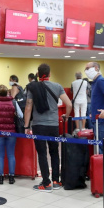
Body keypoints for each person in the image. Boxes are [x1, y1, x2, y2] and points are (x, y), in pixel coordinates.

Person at [24, 63, 72, 192]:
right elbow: (69, 104)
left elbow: (28, 107)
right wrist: (66, 117)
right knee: (54, 152)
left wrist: (26, 126)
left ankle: (46, 183)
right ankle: (56, 181)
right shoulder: (57, 86)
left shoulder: (32, 87)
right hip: (53, 126)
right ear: (50, 74)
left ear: (38, 74)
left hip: (39, 125)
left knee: (42, 154)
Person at [84, 62, 104, 152]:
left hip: (102, 120)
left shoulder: (100, 80)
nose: (86, 71)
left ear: (96, 68)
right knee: (99, 147)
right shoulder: (94, 82)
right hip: (97, 119)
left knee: (102, 147)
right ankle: (101, 165)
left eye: (87, 68)